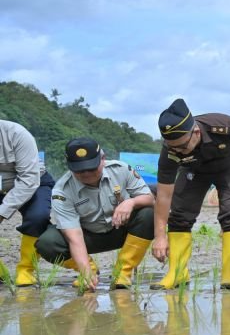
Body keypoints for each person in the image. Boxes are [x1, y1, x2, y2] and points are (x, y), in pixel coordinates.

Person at [152, 98, 230, 290]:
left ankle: (229, 274)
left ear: (195, 132)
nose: (177, 150)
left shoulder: (220, 125)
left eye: (182, 146)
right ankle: (177, 274)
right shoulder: (170, 150)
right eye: (172, 147)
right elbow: (163, 196)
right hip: (194, 170)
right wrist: (160, 236)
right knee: (179, 215)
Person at [35, 138, 155, 290]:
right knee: (48, 243)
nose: (86, 174)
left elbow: (150, 199)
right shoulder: (62, 191)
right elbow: (74, 237)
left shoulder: (121, 170)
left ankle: (123, 272)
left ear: (102, 159)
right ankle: (90, 273)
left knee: (149, 214)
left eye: (91, 168)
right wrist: (86, 270)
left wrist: (130, 203)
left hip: (122, 230)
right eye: (79, 170)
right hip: (88, 237)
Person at [0, 119, 55, 286]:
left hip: (32, 181)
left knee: (38, 216)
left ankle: (26, 269)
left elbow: (28, 180)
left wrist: (2, 212)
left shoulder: (17, 134)